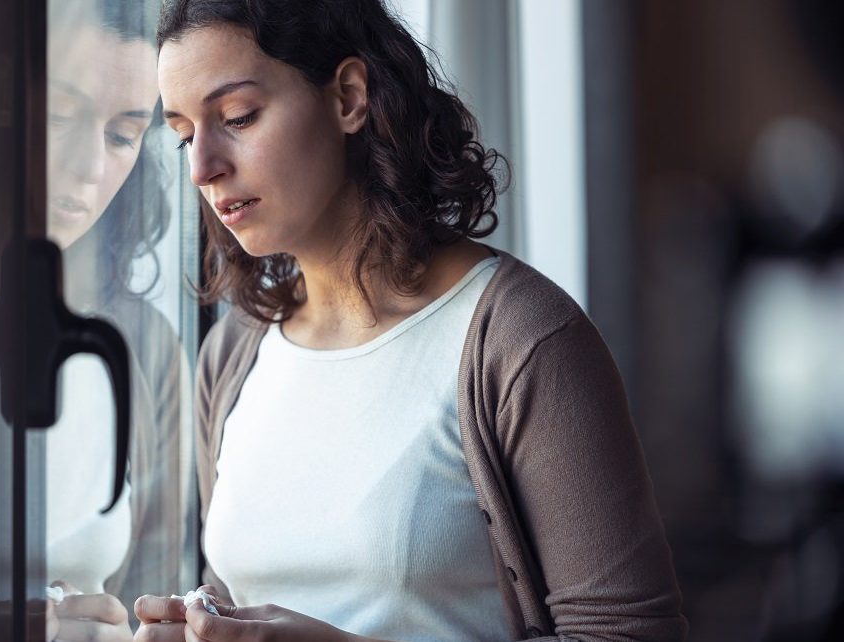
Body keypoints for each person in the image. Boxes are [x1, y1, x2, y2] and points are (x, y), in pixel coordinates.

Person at [135, 0, 689, 640]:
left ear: (348, 97)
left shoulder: (519, 340)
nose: (203, 168)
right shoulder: (234, 355)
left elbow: (631, 632)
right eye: (182, 135)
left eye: (237, 117)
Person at [42, 1, 189, 640]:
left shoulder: (144, 350)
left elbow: (156, 608)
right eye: (54, 117)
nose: (88, 168)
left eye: (122, 135)